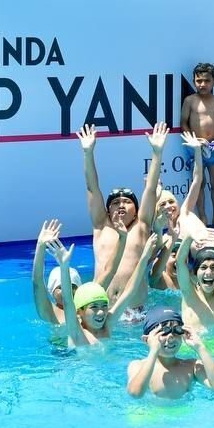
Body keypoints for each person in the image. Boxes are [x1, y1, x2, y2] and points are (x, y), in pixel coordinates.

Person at [78, 122, 169, 312]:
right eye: (115, 203)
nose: (120, 205)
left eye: (126, 202)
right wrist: (88, 153)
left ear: (136, 210)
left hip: (136, 311)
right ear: (107, 210)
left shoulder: (141, 226)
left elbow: (151, 189)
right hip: (101, 311)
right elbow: (92, 188)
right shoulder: (101, 225)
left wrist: (157, 153)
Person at [51, 234, 156, 348]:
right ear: (79, 311)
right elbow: (68, 301)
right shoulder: (76, 332)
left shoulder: (107, 325)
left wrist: (144, 257)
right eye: (94, 307)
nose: (101, 312)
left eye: (104, 305)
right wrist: (64, 266)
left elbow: (129, 292)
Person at [126, 307, 214, 398]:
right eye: (163, 332)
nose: (171, 337)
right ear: (146, 340)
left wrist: (200, 347)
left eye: (177, 331)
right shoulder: (137, 366)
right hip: (150, 412)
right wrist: (153, 351)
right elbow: (135, 393)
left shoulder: (191, 367)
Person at [180, 62, 214, 227]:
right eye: (199, 81)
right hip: (196, 148)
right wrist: (194, 141)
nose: (202, 84)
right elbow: (183, 123)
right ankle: (202, 217)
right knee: (199, 183)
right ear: (194, 81)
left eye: (207, 81)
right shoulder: (190, 101)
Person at [31, 219, 82, 325]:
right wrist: (40, 246)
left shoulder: (87, 310)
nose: (66, 290)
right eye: (60, 287)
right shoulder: (49, 312)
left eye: (72, 286)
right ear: (52, 291)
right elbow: (37, 282)